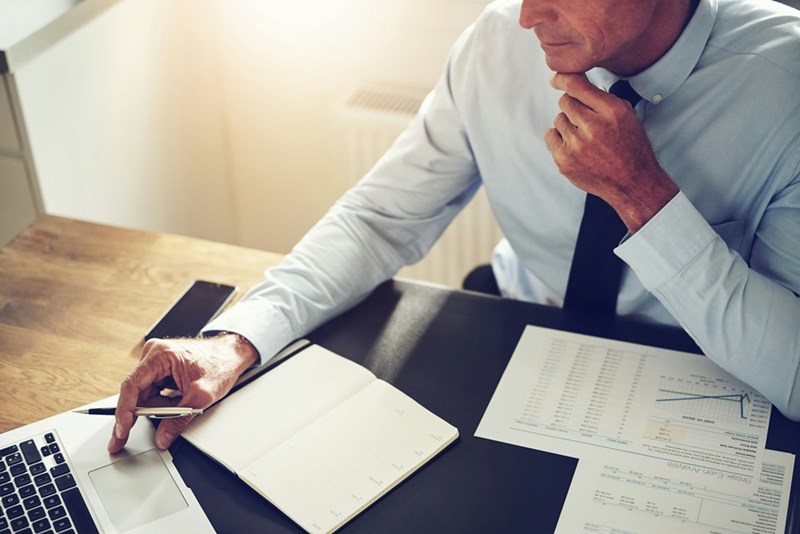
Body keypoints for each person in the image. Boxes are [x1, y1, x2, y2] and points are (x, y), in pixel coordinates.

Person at [108, 0, 800, 454]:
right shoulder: (496, 42)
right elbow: (380, 219)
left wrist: (646, 200)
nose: (528, 13)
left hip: (703, 392)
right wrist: (237, 338)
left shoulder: (785, 84)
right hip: (517, 332)